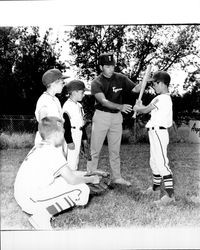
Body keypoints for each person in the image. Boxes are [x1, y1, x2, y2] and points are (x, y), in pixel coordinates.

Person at [14, 116, 100, 230]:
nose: (64, 133)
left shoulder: (40, 146)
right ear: (56, 134)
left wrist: (89, 173)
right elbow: (72, 180)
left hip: (23, 195)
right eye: (63, 131)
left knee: (62, 180)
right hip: (31, 200)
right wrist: (91, 180)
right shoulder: (52, 151)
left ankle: (41, 212)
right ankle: (42, 216)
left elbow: (68, 173)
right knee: (82, 189)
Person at [88, 53, 142, 186]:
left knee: (115, 150)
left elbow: (135, 89)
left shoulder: (121, 78)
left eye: (112, 66)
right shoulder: (96, 82)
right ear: (101, 67)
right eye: (107, 66)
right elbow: (103, 101)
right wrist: (121, 106)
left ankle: (117, 177)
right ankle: (90, 177)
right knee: (95, 149)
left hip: (117, 117)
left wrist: (145, 82)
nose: (111, 69)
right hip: (101, 115)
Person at [133, 70, 175, 205]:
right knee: (154, 162)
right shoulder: (159, 98)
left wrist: (139, 107)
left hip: (159, 132)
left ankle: (170, 196)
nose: (154, 86)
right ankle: (155, 189)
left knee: (162, 162)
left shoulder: (163, 98)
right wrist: (139, 107)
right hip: (154, 132)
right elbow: (146, 110)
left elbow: (145, 110)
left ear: (162, 83)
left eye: (155, 83)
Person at [34, 68, 68, 145]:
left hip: (56, 137)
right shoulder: (44, 100)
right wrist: (46, 142)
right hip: (47, 139)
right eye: (62, 83)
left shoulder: (55, 99)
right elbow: (42, 122)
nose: (63, 85)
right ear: (53, 84)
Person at [62, 80, 88, 170]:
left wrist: (84, 138)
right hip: (71, 134)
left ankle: (74, 177)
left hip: (78, 133)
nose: (83, 94)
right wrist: (69, 141)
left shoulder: (79, 106)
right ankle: (69, 180)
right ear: (74, 92)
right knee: (71, 160)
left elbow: (82, 124)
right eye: (82, 92)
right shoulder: (67, 106)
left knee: (76, 159)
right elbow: (66, 125)